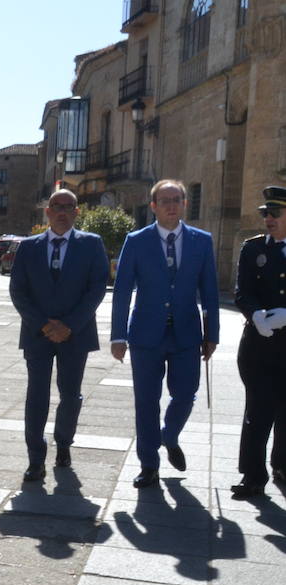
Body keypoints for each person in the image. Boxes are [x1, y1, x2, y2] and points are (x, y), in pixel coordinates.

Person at [110, 179, 219, 489]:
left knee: (186, 394)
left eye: (177, 199)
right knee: (146, 401)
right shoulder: (137, 240)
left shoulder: (201, 241)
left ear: (185, 204)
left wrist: (212, 335)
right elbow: (122, 291)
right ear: (154, 206)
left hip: (186, 334)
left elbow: (209, 291)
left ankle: (168, 435)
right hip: (145, 335)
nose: (172, 205)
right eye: (165, 200)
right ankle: (149, 465)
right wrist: (118, 336)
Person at [8, 188, 110, 482]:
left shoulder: (91, 245)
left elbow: (96, 288)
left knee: (70, 394)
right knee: (36, 396)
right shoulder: (28, 247)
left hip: (75, 335)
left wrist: (69, 325)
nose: (62, 211)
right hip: (36, 334)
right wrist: (43, 325)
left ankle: (64, 443)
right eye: (57, 206)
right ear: (48, 211)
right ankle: (35, 459)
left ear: (77, 212)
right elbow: (18, 291)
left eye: (69, 206)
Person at [230, 185, 286, 499]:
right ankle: (253, 476)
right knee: (258, 412)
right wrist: (256, 316)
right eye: (266, 213)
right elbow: (242, 291)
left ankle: (282, 465)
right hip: (258, 348)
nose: (269, 219)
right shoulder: (253, 249)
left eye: (275, 213)